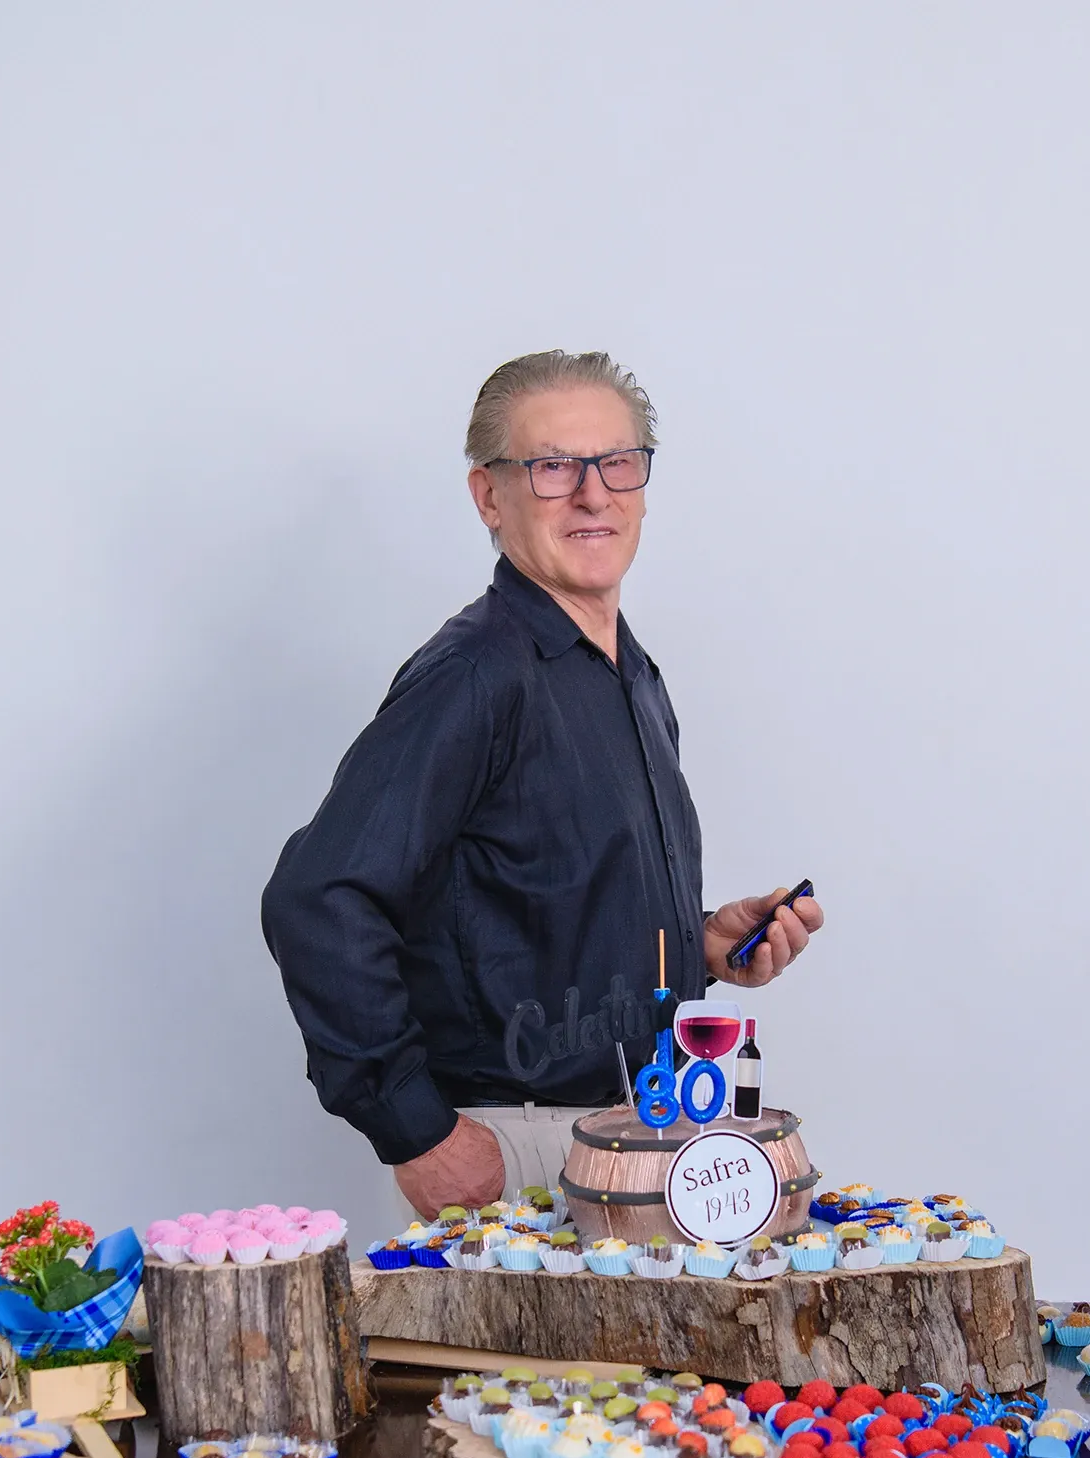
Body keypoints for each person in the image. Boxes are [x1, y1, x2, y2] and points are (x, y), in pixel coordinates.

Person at [263, 350, 824, 1217]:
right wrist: (416, 1132)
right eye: (554, 467)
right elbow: (317, 896)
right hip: (514, 1157)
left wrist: (704, 943)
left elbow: (535, 903)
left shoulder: (629, 674)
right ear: (490, 496)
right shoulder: (475, 674)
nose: (594, 494)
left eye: (618, 463)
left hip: (645, 1136)